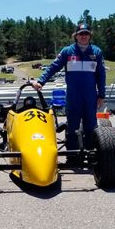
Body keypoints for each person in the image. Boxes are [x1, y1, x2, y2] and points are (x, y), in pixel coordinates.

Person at [31, 23, 106, 152]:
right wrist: (41, 81)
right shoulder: (67, 51)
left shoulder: (97, 52)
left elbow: (101, 75)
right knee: (72, 127)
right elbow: (53, 67)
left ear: (90, 36)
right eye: (81, 34)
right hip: (73, 96)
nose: (83, 36)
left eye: (86, 33)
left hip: (90, 97)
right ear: (76, 36)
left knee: (91, 127)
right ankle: (72, 156)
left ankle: (91, 155)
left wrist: (101, 95)